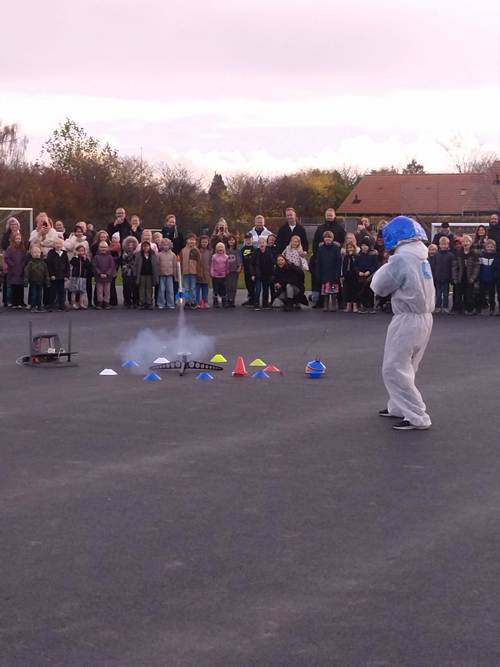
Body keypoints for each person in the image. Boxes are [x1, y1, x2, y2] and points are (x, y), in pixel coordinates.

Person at [371, 215, 434, 430]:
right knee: (407, 366)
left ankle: (417, 416)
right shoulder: (421, 257)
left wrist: (385, 264)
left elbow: (379, 286)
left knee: (394, 368)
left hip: (407, 318)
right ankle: (398, 407)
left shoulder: (401, 259)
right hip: (424, 318)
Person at [452, 234, 479, 315]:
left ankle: (469, 309)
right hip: (460, 277)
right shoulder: (458, 253)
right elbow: (454, 266)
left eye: (467, 241)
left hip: (469, 277)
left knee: (469, 294)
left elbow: (476, 267)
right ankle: (458, 309)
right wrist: (455, 277)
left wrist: (473, 278)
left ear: (471, 243)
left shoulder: (474, 254)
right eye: (463, 241)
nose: (465, 243)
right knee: (458, 294)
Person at [315, 230, 342, 312]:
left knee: (333, 291)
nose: (328, 239)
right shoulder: (321, 249)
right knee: (325, 292)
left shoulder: (336, 248)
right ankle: (325, 305)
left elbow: (338, 261)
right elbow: (318, 262)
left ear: (332, 238)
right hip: (324, 273)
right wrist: (318, 273)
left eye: (329, 238)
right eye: (326, 238)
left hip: (333, 273)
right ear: (323, 239)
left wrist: (337, 274)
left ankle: (334, 305)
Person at [354, 238, 379, 314]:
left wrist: (369, 271)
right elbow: (355, 265)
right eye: (363, 245)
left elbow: (375, 265)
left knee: (370, 291)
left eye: (366, 245)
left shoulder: (373, 255)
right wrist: (358, 272)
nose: (364, 247)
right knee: (362, 291)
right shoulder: (358, 255)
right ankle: (364, 306)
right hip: (361, 276)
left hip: (370, 276)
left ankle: (371, 306)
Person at [429, 236, 454, 314]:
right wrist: (433, 276)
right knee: (438, 293)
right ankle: (438, 307)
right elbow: (433, 266)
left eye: (445, 244)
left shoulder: (450, 255)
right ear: (439, 245)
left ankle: (446, 307)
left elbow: (452, 267)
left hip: (446, 277)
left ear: (448, 245)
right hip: (437, 277)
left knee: (446, 294)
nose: (443, 246)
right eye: (442, 244)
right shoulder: (436, 255)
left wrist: (451, 277)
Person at [46, 237, 70, 311]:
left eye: (59, 243)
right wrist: (51, 274)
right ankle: (51, 305)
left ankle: (61, 305)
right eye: (56, 243)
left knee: (62, 291)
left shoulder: (64, 253)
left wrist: (67, 275)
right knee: (53, 291)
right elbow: (49, 265)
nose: (58, 245)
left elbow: (67, 265)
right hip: (54, 276)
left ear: (62, 244)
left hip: (62, 276)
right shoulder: (51, 253)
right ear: (53, 245)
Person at [251, 236, 275, 310]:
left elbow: (272, 263)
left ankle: (265, 303)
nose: (262, 244)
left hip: (267, 274)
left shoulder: (269, 252)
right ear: (258, 244)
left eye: (263, 242)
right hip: (258, 274)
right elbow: (252, 264)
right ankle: (256, 303)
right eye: (260, 243)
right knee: (257, 289)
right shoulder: (256, 252)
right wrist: (253, 274)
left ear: (266, 243)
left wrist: (272, 274)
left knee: (266, 289)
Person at [24, 245, 50, 312]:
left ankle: (39, 306)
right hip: (33, 282)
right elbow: (26, 272)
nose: (37, 254)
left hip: (41, 282)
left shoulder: (43, 263)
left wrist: (47, 281)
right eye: (35, 252)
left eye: (38, 252)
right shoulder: (30, 263)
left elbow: (46, 272)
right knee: (33, 295)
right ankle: (33, 306)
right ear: (32, 254)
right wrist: (26, 281)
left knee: (40, 295)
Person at [4, 233, 27, 308]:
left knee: (20, 287)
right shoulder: (10, 248)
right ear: (13, 239)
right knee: (14, 287)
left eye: (19, 239)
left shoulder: (23, 249)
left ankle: (20, 302)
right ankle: (14, 303)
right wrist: (12, 265)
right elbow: (7, 257)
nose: (18, 240)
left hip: (21, 270)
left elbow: (24, 258)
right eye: (16, 239)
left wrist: (23, 265)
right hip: (13, 270)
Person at [135, 240, 159, 309]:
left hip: (150, 275)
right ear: (142, 247)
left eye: (147, 246)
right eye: (144, 246)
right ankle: (142, 302)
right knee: (142, 289)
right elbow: (136, 265)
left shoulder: (153, 254)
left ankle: (149, 302)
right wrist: (136, 273)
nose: (145, 248)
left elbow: (156, 265)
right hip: (141, 275)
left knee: (149, 289)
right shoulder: (139, 255)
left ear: (149, 247)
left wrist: (156, 275)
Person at [92, 241, 116, 309]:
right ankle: (100, 302)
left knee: (107, 291)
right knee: (99, 291)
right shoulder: (96, 257)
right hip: (99, 277)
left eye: (105, 247)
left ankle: (106, 302)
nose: (103, 249)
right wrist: (99, 273)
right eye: (102, 247)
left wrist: (107, 273)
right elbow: (94, 266)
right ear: (99, 248)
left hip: (108, 277)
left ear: (108, 248)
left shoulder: (110, 257)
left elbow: (112, 266)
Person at [179, 234, 201, 308]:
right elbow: (181, 261)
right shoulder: (183, 250)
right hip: (185, 272)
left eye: (193, 240)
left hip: (193, 272)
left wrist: (199, 272)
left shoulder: (197, 251)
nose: (191, 241)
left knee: (193, 288)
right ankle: (187, 302)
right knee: (186, 288)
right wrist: (181, 271)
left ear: (195, 241)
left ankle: (193, 301)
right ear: (186, 241)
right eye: (190, 239)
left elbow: (199, 262)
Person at [68, 245, 92, 310]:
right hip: (75, 277)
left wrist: (85, 259)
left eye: (82, 251)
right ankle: (73, 303)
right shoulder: (74, 258)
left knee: (82, 291)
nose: (81, 252)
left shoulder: (85, 259)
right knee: (74, 291)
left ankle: (81, 303)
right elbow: (72, 263)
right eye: (79, 251)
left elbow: (88, 266)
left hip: (83, 277)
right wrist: (75, 256)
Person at [478, 239, 497, 315]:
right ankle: (481, 307)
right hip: (483, 277)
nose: (489, 248)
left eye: (491, 247)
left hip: (492, 278)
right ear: (485, 247)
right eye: (488, 246)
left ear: (494, 247)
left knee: (491, 294)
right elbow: (480, 266)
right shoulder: (482, 255)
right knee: (481, 293)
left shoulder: (495, 256)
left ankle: (492, 308)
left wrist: (495, 276)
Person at [157, 238, 177, 310]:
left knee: (170, 290)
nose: (165, 246)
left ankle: (170, 303)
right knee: (161, 290)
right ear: (161, 246)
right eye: (164, 245)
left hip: (170, 275)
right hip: (162, 275)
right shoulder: (159, 255)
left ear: (170, 245)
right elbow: (157, 265)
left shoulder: (173, 255)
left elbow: (175, 266)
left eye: (167, 245)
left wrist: (175, 275)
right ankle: (161, 303)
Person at [121, 236, 140, 308]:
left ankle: (135, 301)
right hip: (126, 272)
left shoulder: (138, 253)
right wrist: (133, 253)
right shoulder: (124, 253)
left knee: (135, 287)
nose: (130, 246)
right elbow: (126, 259)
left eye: (132, 244)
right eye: (129, 244)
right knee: (126, 287)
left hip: (135, 272)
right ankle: (127, 301)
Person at [341, 241, 360, 313]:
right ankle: (348, 305)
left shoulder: (356, 257)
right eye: (348, 248)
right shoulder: (346, 257)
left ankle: (355, 305)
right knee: (347, 291)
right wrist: (343, 275)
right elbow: (344, 266)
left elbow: (356, 266)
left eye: (351, 248)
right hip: (347, 276)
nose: (350, 249)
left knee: (354, 291)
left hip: (354, 276)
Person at [210, 242, 229, 308]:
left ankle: (224, 301)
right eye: (219, 249)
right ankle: (215, 302)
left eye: (222, 249)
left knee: (223, 289)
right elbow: (212, 265)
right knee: (216, 289)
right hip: (215, 276)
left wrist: (227, 272)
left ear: (224, 249)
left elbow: (227, 266)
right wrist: (212, 272)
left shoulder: (226, 257)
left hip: (223, 276)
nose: (220, 250)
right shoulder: (214, 256)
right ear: (216, 249)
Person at [226, 235, 242, 308]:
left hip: (235, 270)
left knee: (233, 286)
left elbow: (239, 260)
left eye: (232, 240)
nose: (231, 241)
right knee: (228, 286)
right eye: (229, 240)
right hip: (227, 270)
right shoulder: (225, 250)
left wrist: (239, 267)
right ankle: (227, 299)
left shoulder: (237, 250)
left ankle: (232, 300)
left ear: (235, 241)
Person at [241, 232, 256, 306]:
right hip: (246, 270)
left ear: (252, 239)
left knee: (253, 285)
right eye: (247, 239)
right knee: (248, 285)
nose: (248, 240)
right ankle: (250, 299)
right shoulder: (243, 249)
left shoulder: (255, 249)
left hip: (253, 271)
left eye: (249, 239)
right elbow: (242, 259)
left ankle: (254, 300)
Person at [197, 235, 212, 307]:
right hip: (198, 273)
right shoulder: (197, 250)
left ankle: (205, 301)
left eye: (206, 242)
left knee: (205, 289)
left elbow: (211, 262)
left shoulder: (210, 251)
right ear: (200, 242)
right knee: (197, 289)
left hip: (206, 273)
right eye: (202, 242)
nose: (204, 243)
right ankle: (197, 302)